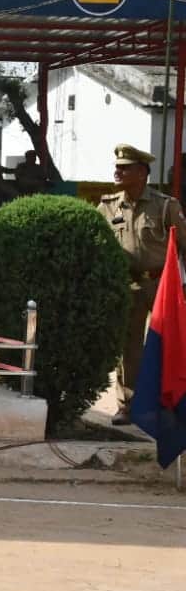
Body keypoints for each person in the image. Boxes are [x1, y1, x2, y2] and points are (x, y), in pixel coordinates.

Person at [98, 144, 186, 425]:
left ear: (142, 173)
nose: (118, 171)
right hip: (128, 287)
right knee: (129, 348)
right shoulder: (108, 206)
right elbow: (98, 246)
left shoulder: (165, 206)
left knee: (167, 346)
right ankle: (128, 405)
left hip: (162, 286)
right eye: (117, 166)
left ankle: (169, 404)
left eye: (125, 167)